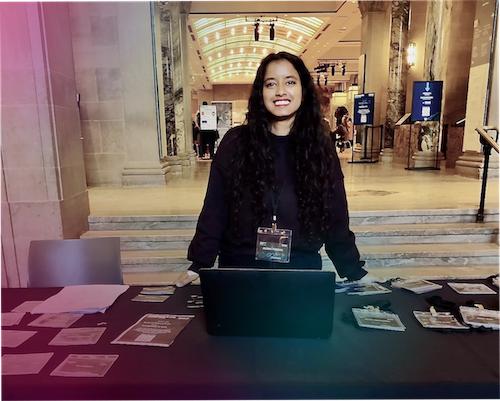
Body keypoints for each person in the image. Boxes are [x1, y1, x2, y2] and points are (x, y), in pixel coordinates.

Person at [175, 51, 383, 287]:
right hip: (239, 270)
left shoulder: (319, 146)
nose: (280, 91)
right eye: (271, 84)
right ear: (260, 93)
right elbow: (214, 208)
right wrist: (198, 264)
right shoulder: (235, 142)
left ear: (303, 91)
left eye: (290, 82)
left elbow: (335, 214)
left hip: (300, 271)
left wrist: (354, 270)